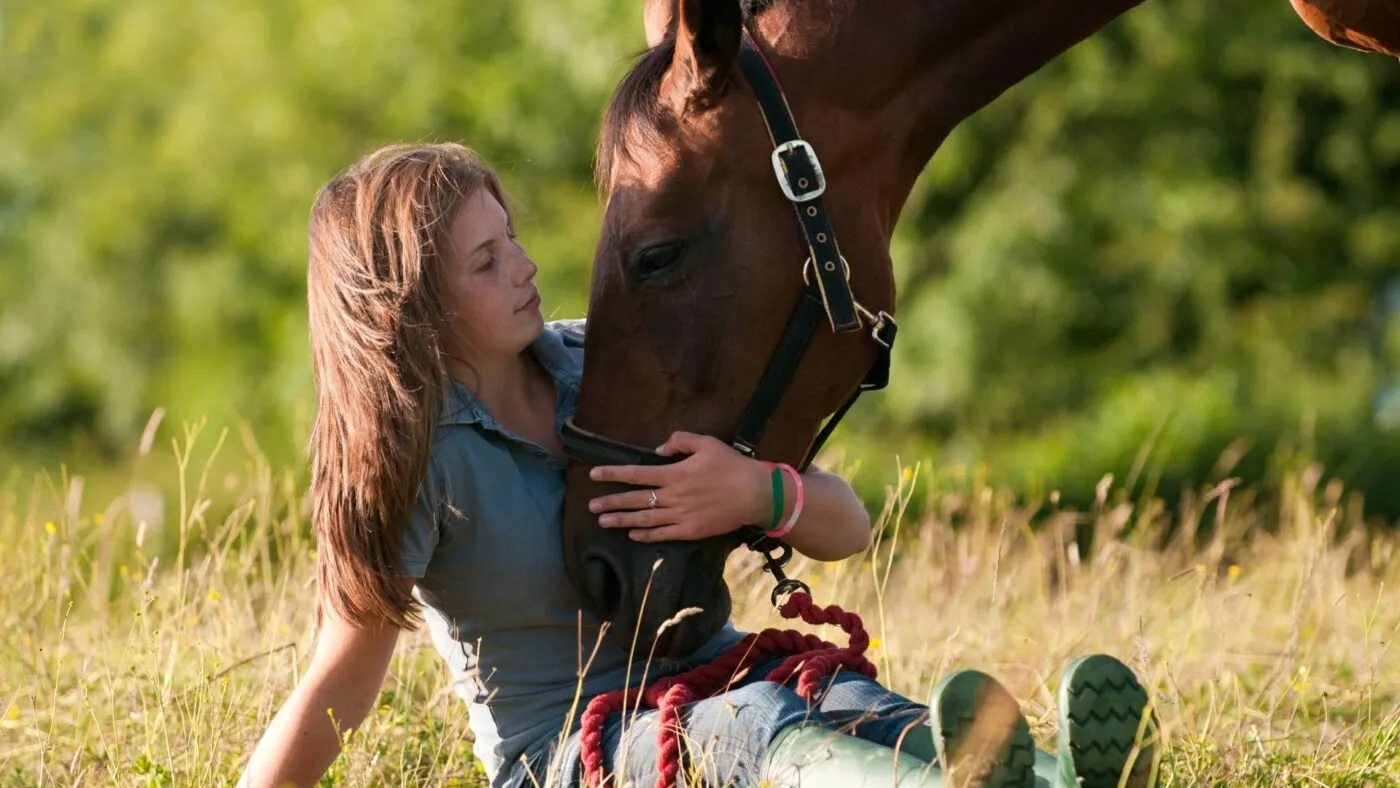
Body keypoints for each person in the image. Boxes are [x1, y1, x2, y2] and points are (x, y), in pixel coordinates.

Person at [239, 142, 1158, 788]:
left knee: (841, 697)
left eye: (512, 236)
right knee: (749, 730)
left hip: (719, 675)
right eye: (486, 261)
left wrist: (758, 491)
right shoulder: (418, 461)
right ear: (414, 309)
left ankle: (1061, 773)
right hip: (568, 754)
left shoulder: (604, 368)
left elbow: (850, 528)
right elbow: (339, 680)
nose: (525, 265)